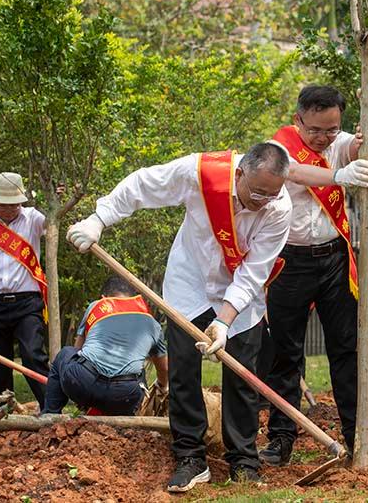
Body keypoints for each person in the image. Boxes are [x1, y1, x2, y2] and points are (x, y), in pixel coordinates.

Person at [67, 144, 295, 492]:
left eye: (272, 194)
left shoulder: (279, 208)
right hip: (190, 284)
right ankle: (190, 457)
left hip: (241, 298)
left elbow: (253, 273)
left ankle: (244, 461)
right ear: (239, 175)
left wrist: (224, 320)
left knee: (242, 377)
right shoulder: (201, 173)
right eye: (258, 192)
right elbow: (144, 184)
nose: (264, 201)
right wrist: (99, 219)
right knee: (183, 371)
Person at [260, 85, 368, 469]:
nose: (324, 138)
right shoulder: (278, 146)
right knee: (285, 354)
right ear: (298, 119)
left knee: (346, 350)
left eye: (332, 130)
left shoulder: (339, 140)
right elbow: (293, 171)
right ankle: (282, 440)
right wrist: (338, 174)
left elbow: (361, 147)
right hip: (289, 262)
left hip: (334, 259)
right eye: (315, 130)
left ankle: (357, 438)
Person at [0, 172, 50, 410]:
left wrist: (55, 199)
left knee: (33, 355)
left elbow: (54, 224)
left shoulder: (33, 218)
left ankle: (50, 407)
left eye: (13, 204)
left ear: (20, 201)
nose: (8, 210)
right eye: (3, 205)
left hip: (27, 302)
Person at [42, 275, 168, 415]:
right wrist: (162, 387)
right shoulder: (153, 324)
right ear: (133, 296)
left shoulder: (96, 307)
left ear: (103, 297)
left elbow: (78, 350)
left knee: (65, 353)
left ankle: (50, 414)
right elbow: (164, 369)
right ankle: (121, 423)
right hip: (125, 395)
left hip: (84, 383)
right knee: (140, 373)